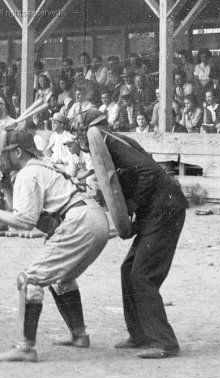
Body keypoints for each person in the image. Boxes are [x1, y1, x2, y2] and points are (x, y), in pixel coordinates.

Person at [0, 130, 109, 362]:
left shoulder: (28, 174)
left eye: (4, 153)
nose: (0, 158)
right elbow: (23, 210)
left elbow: (25, 221)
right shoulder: (43, 166)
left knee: (30, 280)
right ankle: (79, 335)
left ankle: (25, 348)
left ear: (18, 152)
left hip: (78, 221)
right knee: (61, 278)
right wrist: (5, 188)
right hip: (95, 218)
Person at [79, 110, 188, 359]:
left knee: (142, 275)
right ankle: (139, 335)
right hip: (157, 209)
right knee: (128, 270)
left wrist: (132, 205)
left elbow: (148, 173)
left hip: (164, 209)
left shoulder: (112, 143)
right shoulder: (114, 143)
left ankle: (164, 342)